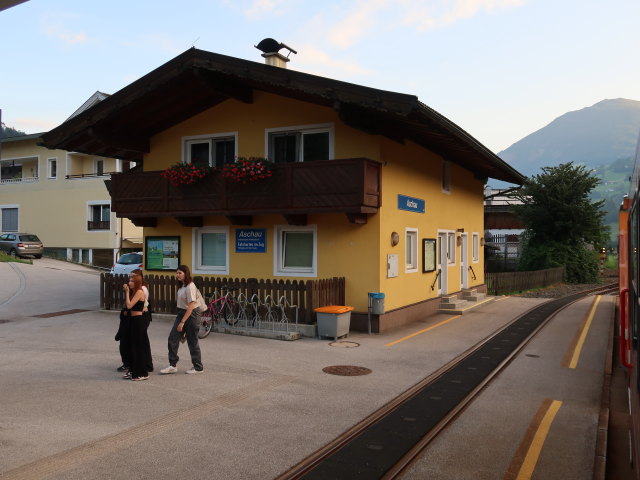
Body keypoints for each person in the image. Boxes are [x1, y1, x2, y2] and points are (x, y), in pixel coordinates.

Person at [160, 265, 204, 375]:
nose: (177, 275)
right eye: (177, 273)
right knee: (173, 338)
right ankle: (172, 365)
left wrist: (182, 322)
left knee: (192, 341)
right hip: (181, 312)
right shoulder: (182, 286)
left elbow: (191, 305)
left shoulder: (190, 286)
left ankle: (198, 367)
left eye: (180, 273)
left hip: (191, 314)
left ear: (186, 273)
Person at [123, 274, 149, 381]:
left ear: (137, 282)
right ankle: (134, 370)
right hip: (133, 320)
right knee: (132, 346)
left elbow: (129, 305)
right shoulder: (135, 292)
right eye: (129, 280)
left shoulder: (139, 292)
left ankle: (142, 372)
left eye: (132, 281)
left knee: (138, 346)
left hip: (138, 321)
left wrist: (127, 292)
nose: (130, 283)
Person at [131, 269, 153, 373]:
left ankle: (146, 365)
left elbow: (132, 305)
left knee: (142, 341)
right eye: (131, 277)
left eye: (134, 277)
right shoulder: (138, 288)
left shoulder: (142, 289)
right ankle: (144, 364)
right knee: (142, 341)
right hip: (141, 315)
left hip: (143, 315)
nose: (131, 279)